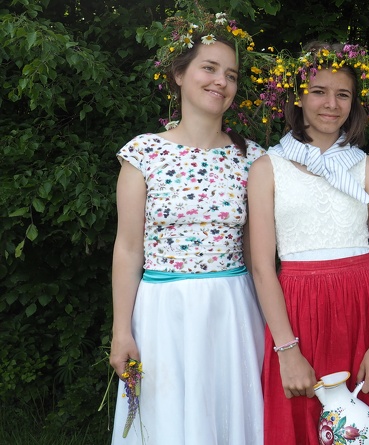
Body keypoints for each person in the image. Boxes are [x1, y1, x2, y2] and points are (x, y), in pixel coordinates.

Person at [247, 42, 369, 444]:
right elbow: (262, 266)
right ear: (298, 97)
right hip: (297, 314)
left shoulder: (368, 167)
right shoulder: (267, 168)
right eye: (319, 91)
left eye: (343, 94)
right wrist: (287, 350)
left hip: (362, 309)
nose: (331, 103)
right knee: (304, 422)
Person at [109, 9, 267, 444]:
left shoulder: (252, 158)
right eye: (209, 68)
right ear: (179, 75)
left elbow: (258, 256)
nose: (221, 82)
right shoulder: (143, 153)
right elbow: (128, 249)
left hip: (231, 311)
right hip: (164, 312)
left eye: (231, 75)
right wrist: (121, 331)